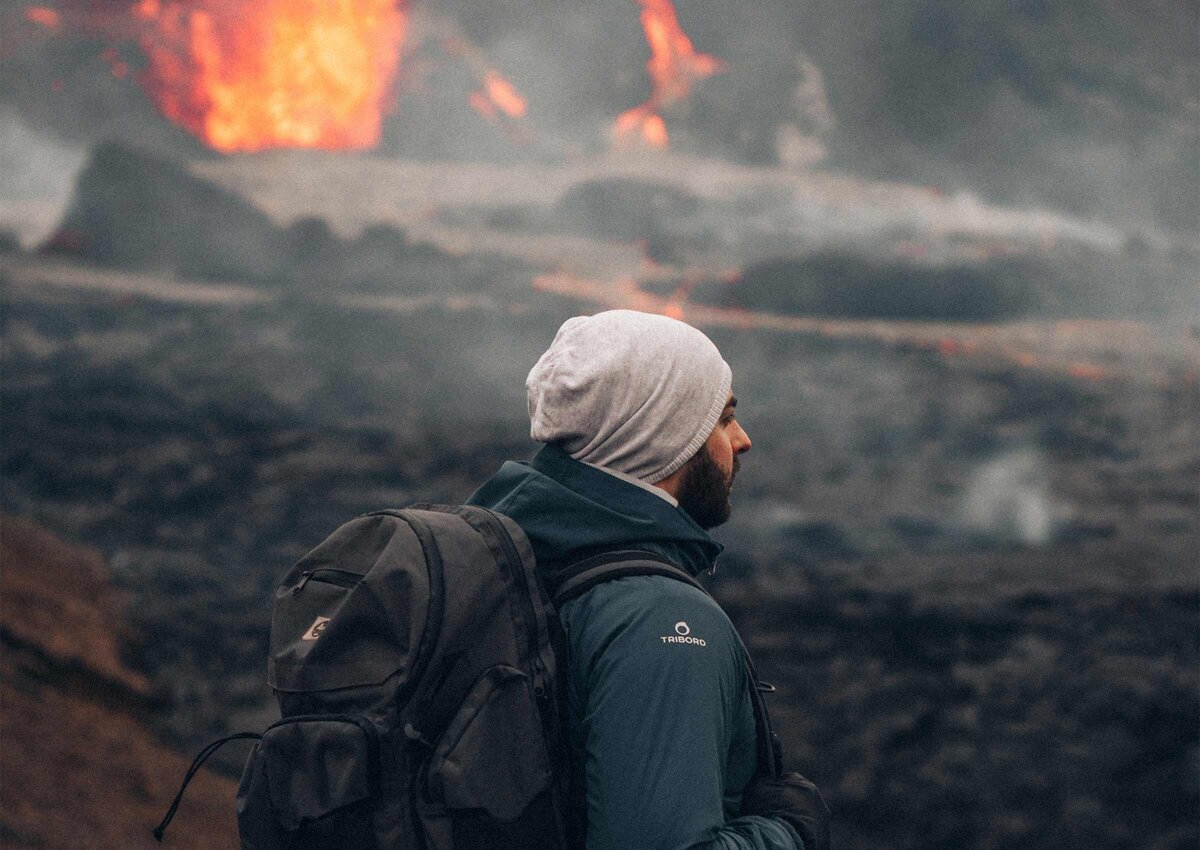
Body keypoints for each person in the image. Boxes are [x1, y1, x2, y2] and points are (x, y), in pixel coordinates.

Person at [468, 309, 831, 850]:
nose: (742, 439)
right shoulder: (657, 616)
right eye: (723, 418)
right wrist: (790, 830)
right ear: (666, 433)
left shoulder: (500, 556)